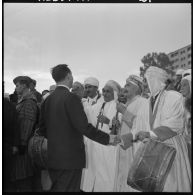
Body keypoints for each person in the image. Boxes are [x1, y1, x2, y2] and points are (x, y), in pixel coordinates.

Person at [38, 64, 120, 192]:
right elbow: (83, 127)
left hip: (53, 157)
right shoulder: (71, 98)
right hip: (70, 159)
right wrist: (107, 139)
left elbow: (42, 129)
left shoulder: (48, 100)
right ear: (69, 76)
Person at [135, 66, 191, 192]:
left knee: (171, 186)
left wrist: (150, 134)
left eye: (146, 80)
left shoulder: (174, 97)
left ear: (154, 80)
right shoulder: (145, 103)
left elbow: (176, 124)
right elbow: (140, 126)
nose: (144, 84)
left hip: (171, 150)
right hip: (151, 153)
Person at [81, 80, 122, 192]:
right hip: (98, 145)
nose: (104, 93)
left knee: (107, 173)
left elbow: (122, 126)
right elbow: (86, 112)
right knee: (97, 172)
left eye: (108, 91)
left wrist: (108, 121)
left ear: (115, 93)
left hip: (110, 146)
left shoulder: (119, 107)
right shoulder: (99, 105)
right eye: (103, 91)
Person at [114, 75, 150, 192]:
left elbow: (141, 127)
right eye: (125, 84)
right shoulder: (128, 104)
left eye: (128, 85)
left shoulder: (143, 102)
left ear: (138, 89)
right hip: (124, 149)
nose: (125, 87)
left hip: (134, 150)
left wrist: (123, 112)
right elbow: (127, 126)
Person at [11, 76, 39, 192]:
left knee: (23, 177)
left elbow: (27, 123)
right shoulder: (23, 100)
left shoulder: (28, 102)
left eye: (17, 85)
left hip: (24, 147)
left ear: (24, 86)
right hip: (22, 144)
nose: (16, 88)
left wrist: (21, 144)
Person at [3, 96, 20, 191]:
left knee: (7, 176)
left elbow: (16, 126)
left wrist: (15, 144)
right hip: (8, 146)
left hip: (7, 146)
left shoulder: (10, 106)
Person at [180, 75, 192, 166]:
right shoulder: (182, 102)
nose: (181, 88)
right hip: (185, 144)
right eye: (181, 85)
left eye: (184, 85)